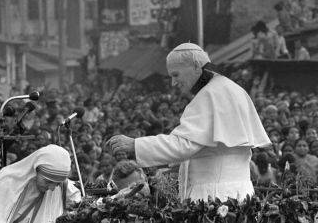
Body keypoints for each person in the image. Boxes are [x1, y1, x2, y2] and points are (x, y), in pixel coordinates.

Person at [108, 43, 271, 202]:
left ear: (195, 67)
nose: (173, 83)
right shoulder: (231, 88)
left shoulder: (209, 95)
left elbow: (183, 145)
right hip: (241, 194)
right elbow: (212, 150)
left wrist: (135, 144)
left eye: (175, 75)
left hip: (214, 197)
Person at [0, 145, 81, 223]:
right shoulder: (8, 180)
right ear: (36, 170)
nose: (52, 188)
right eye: (48, 181)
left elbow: (78, 201)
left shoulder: (63, 185)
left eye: (57, 184)